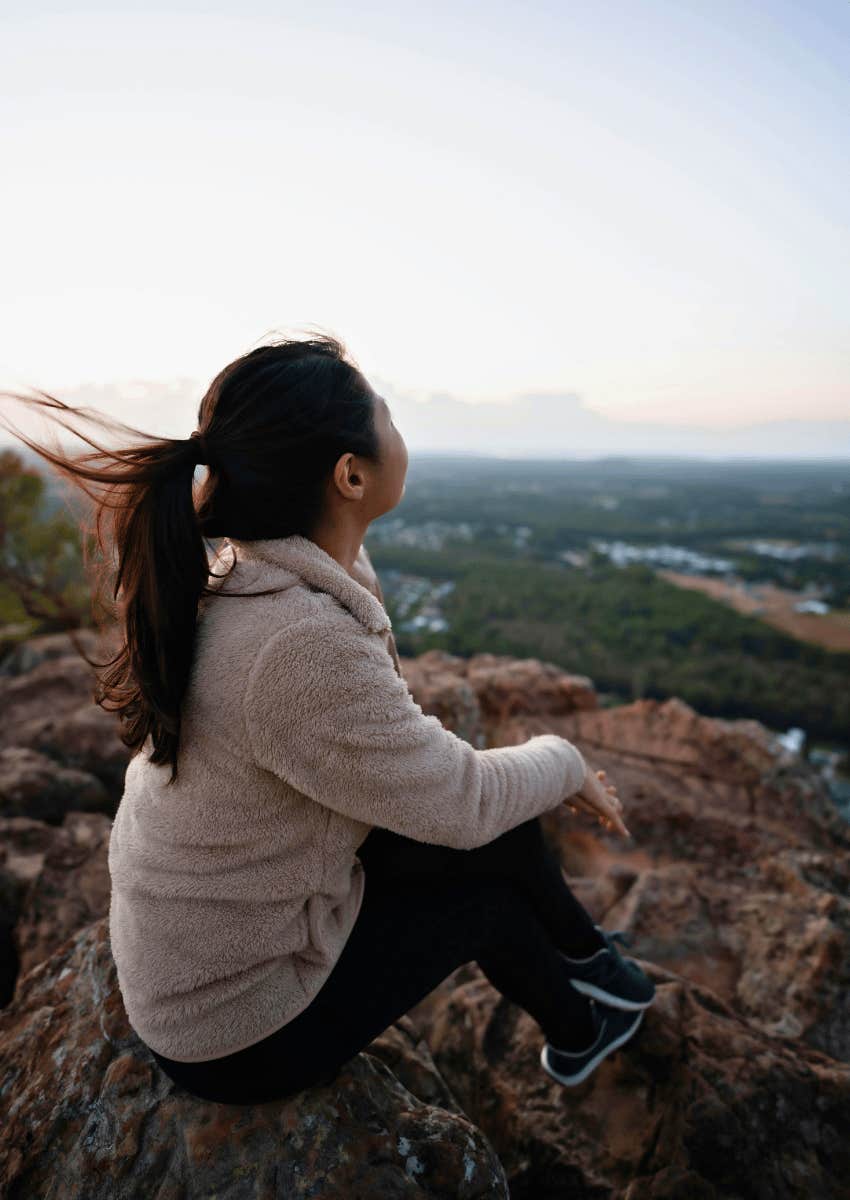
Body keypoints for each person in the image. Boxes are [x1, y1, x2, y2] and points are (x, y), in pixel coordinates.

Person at [0, 331, 654, 1106]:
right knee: (487, 885)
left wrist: (522, 780)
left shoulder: (254, 575)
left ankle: (592, 967)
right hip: (234, 1030)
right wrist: (568, 762)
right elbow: (461, 802)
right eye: (387, 416)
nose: (400, 432)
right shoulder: (297, 644)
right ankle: (583, 1033)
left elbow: (450, 787)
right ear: (350, 474)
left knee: (496, 809)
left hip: (213, 948)